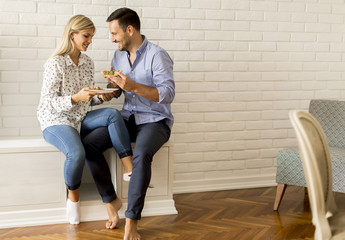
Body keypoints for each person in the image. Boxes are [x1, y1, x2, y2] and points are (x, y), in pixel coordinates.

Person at [82, 7, 175, 240]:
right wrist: (109, 92)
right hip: (127, 119)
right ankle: (111, 200)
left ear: (130, 30)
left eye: (115, 33)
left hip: (155, 121)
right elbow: (120, 90)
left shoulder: (157, 55)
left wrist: (133, 86)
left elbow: (167, 94)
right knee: (89, 144)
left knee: (141, 154)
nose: (112, 39)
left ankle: (132, 222)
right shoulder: (119, 55)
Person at [37, 15, 133, 226]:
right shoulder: (56, 63)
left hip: (79, 117)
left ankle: (129, 168)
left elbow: (86, 100)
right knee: (77, 152)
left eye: (91, 37)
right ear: (73, 35)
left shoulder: (88, 63)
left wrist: (101, 96)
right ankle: (73, 198)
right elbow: (48, 101)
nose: (90, 41)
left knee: (112, 114)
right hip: (56, 120)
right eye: (86, 36)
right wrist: (75, 98)